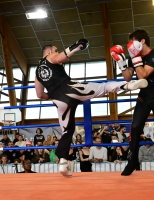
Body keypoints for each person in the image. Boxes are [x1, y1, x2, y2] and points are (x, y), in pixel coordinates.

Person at [35, 39, 148, 176]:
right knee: (103, 87)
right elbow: (61, 56)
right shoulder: (50, 57)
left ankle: (63, 162)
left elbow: (40, 94)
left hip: (58, 100)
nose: (56, 52)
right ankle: (128, 86)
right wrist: (77, 46)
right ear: (48, 52)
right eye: (55, 50)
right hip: (72, 89)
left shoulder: (37, 73)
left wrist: (53, 96)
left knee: (67, 131)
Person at [110, 29, 154, 176]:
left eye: (133, 42)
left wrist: (135, 58)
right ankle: (132, 162)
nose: (130, 46)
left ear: (142, 41)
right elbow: (128, 78)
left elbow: (142, 75)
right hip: (144, 95)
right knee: (135, 127)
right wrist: (121, 62)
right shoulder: (133, 57)